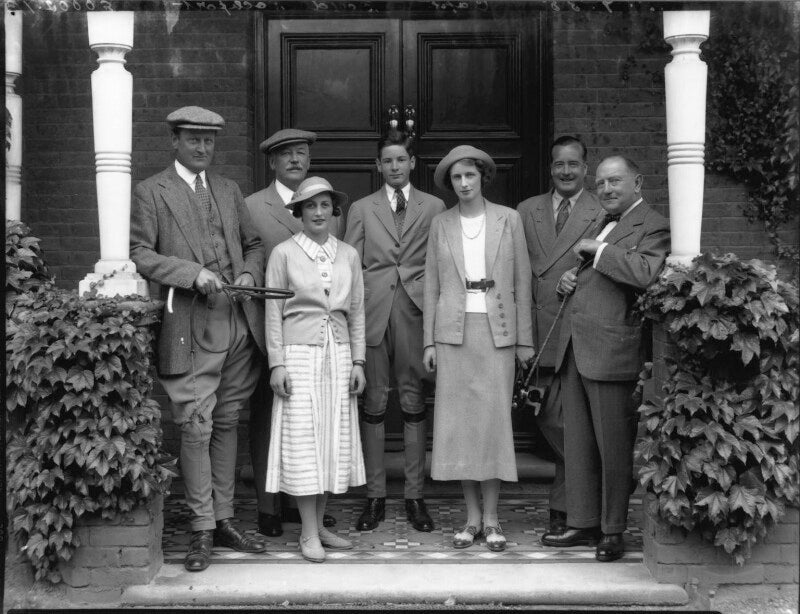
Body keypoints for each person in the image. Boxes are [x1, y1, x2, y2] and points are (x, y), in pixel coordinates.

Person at [130, 106, 267, 572]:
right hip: (190, 325)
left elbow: (253, 244)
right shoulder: (152, 191)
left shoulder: (229, 190)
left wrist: (248, 272)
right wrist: (192, 273)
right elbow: (140, 253)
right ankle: (201, 527)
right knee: (195, 426)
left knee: (227, 421)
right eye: (193, 140)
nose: (203, 148)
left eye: (209, 140)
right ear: (175, 140)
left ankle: (225, 520)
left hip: (237, 323)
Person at [541, 155, 670, 561]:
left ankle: (613, 530)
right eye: (601, 184)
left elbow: (646, 272)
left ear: (638, 181)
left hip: (613, 350)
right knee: (578, 443)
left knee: (613, 447)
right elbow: (598, 276)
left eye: (615, 181)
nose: (607, 189)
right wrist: (571, 280)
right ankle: (583, 522)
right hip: (577, 347)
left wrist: (598, 252)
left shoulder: (653, 224)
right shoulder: (602, 222)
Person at [422, 145, 535, 552]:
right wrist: (429, 341)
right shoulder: (441, 224)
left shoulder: (509, 219)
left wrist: (524, 340)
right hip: (453, 332)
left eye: (470, 175)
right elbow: (431, 284)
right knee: (460, 428)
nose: (464, 183)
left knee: (492, 426)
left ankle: (493, 518)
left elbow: (522, 282)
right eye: (456, 177)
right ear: (450, 183)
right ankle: (471, 519)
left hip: (497, 330)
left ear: (483, 177)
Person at [344, 129, 445, 532]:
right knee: (373, 401)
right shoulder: (362, 208)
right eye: (387, 161)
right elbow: (349, 263)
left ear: (412, 163)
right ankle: (375, 497)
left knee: (413, 399)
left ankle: (415, 496)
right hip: (372, 312)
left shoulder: (435, 206)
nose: (394, 166)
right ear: (378, 165)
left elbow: (442, 262)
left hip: (416, 312)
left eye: (400, 159)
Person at [264, 176, 367, 563]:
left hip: (337, 353)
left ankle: (319, 525)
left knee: (330, 439)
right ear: (299, 213)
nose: (319, 212)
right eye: (311, 206)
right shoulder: (283, 254)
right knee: (305, 439)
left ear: (334, 210)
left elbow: (357, 311)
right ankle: (308, 532)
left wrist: (358, 360)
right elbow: (272, 312)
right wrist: (277, 363)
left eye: (325, 205)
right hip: (299, 353)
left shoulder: (348, 255)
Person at [245, 128, 337, 536]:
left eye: (302, 154)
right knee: (268, 414)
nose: (296, 161)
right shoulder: (252, 206)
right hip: (267, 325)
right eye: (287, 155)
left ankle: (305, 508)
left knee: (311, 418)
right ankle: (269, 506)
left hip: (313, 334)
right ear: (272, 162)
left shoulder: (329, 209)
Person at [517, 135, 602, 536]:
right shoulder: (526, 210)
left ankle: (567, 506)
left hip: (576, 330)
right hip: (538, 330)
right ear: (550, 168)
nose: (565, 171)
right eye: (558, 165)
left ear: (586, 168)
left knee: (572, 425)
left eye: (573, 164)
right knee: (554, 421)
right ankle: (582, 499)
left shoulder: (601, 211)